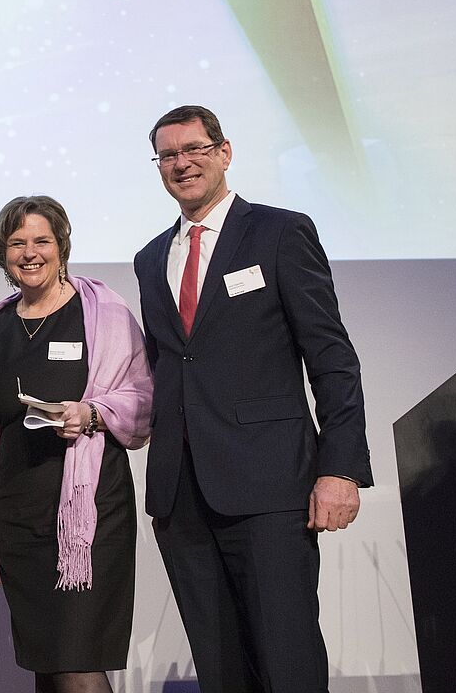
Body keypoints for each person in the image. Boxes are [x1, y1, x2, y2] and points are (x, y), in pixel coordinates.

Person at [133, 105, 373, 693]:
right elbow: (170, 367)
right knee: (221, 670)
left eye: (194, 149)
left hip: (270, 487)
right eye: (168, 155)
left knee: (285, 659)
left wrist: (340, 468)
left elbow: (332, 358)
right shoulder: (150, 258)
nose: (181, 163)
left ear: (224, 152)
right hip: (181, 492)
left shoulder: (280, 231)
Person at [0, 196, 154, 693]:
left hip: (89, 512)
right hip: (17, 511)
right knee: (47, 662)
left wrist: (91, 413)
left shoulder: (103, 312)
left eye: (41, 241)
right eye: (16, 243)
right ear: (2, 254)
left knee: (77, 659)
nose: (30, 253)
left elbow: (142, 400)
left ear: (61, 245)